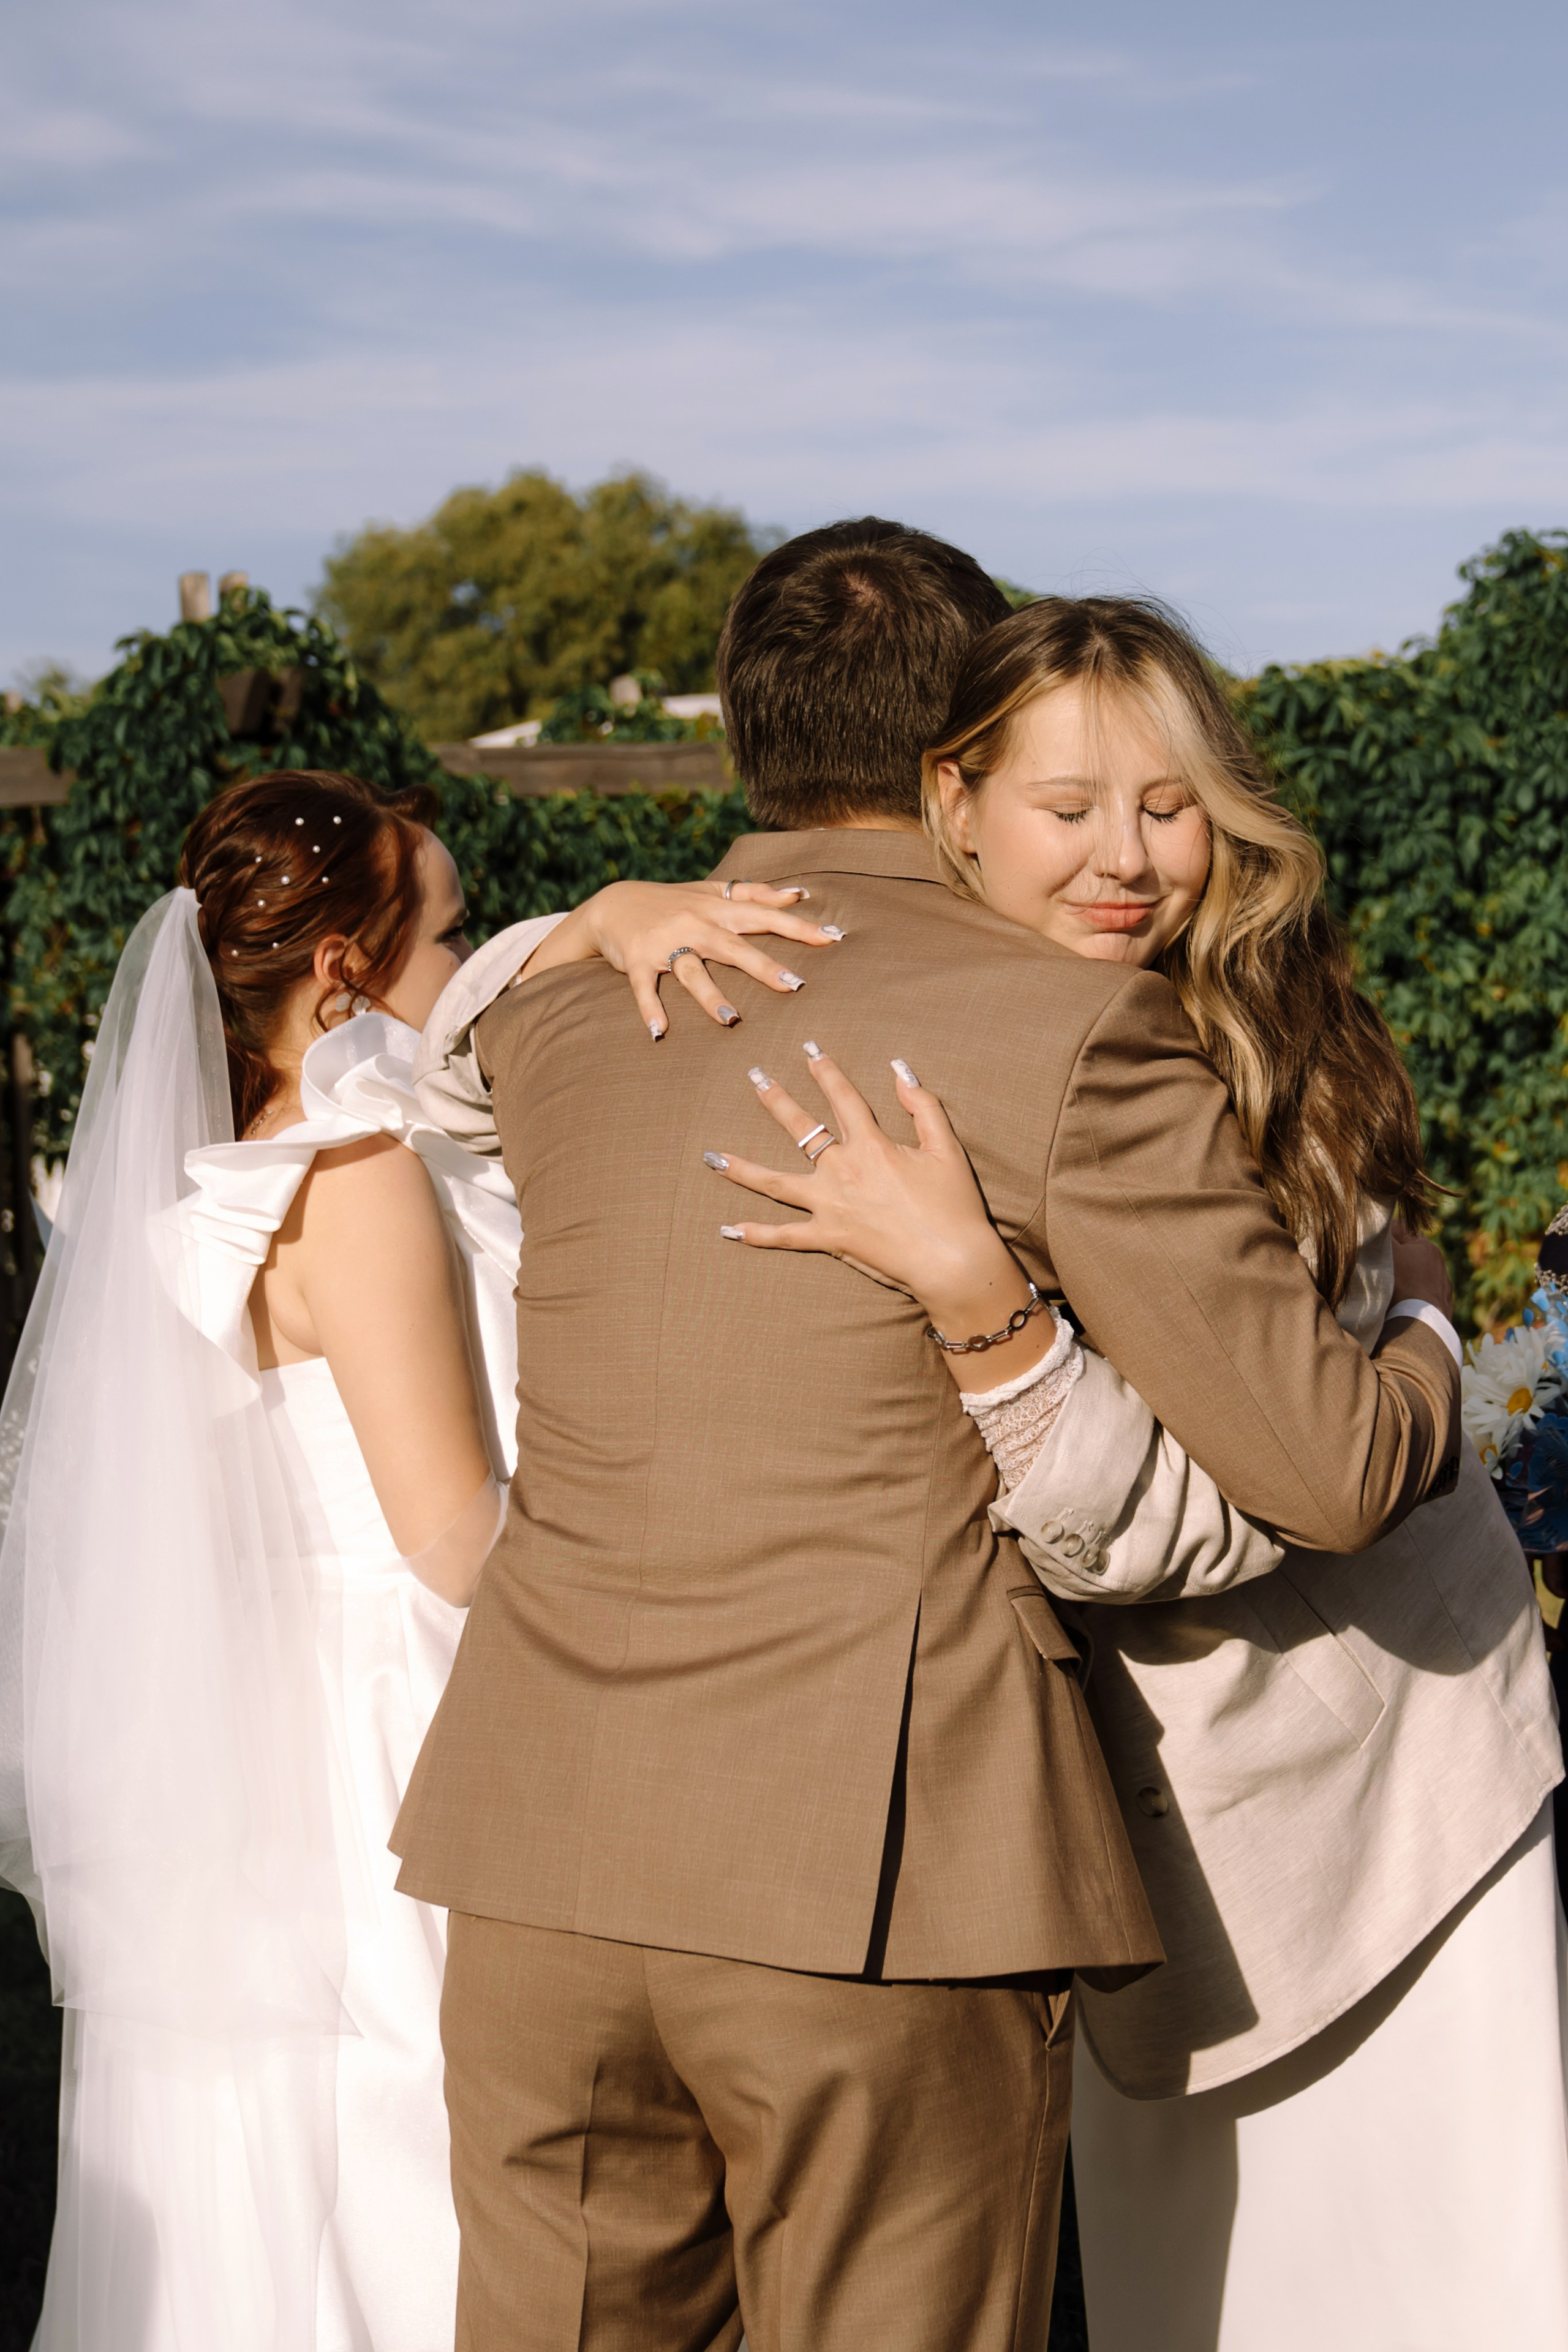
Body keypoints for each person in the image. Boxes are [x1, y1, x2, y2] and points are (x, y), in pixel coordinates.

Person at [398, 519, 1462, 2352]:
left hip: (538, 1852)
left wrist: (574, 919)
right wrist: (1438, 1334)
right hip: (875, 1885)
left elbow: (397, 1055)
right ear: (959, 751)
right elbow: (1336, 1471)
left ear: (742, 731)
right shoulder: (1075, 1032)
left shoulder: (564, 1007)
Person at [706, 594, 1568, 2352]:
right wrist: (593, 923)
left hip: (1396, 1766)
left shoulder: (1249, 1027)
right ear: (953, 800)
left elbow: (1204, 1511)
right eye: (1070, 807)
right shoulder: (920, 1022)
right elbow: (460, 1067)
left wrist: (987, 1304)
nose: (1128, 860)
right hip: (1144, 1819)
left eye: (1170, 806)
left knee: (1448, 2283)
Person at [0, 766, 826, 2352]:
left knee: (288, 2149)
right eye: (443, 933)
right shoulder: (354, 1180)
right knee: (409, 2149)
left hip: (278, 1707)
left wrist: (585, 929)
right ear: (341, 975)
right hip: (405, 1713)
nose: (462, 966)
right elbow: (451, 1536)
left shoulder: (217, 1176)